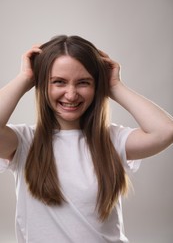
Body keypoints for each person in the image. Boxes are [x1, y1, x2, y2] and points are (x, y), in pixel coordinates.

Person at [0, 35, 173, 243]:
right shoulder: (24, 141)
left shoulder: (113, 140)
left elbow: (166, 131)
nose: (71, 95)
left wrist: (115, 86)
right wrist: (25, 77)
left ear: (96, 86)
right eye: (59, 82)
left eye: (83, 82)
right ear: (42, 84)